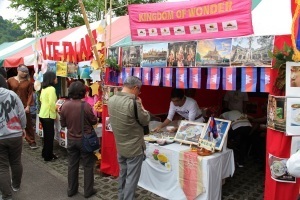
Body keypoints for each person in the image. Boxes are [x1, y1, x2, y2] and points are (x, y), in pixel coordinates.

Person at [108, 76, 150, 200]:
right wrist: (141, 105)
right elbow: (146, 119)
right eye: (139, 90)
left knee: (123, 175)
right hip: (134, 148)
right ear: (135, 88)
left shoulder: (112, 99)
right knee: (132, 178)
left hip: (120, 145)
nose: (139, 93)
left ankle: (121, 197)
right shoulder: (133, 103)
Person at [0, 75, 26, 200]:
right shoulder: (12, 94)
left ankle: (7, 195)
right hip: (15, 133)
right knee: (16, 161)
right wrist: (23, 127)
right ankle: (16, 185)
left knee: (2, 166)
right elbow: (21, 113)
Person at [7, 64, 38, 149]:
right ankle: (12, 141)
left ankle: (31, 141)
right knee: (11, 123)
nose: (24, 73)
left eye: (26, 72)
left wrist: (28, 105)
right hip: (12, 106)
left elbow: (30, 95)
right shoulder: (10, 80)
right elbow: (7, 92)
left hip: (24, 106)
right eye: (23, 71)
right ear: (18, 70)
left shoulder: (28, 83)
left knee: (28, 124)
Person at [39, 71, 58, 161]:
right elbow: (51, 103)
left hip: (42, 114)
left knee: (46, 136)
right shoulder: (51, 89)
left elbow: (41, 99)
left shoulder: (44, 88)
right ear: (52, 79)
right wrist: (56, 109)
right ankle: (48, 156)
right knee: (50, 137)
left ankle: (45, 153)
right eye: (55, 77)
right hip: (48, 115)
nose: (56, 79)